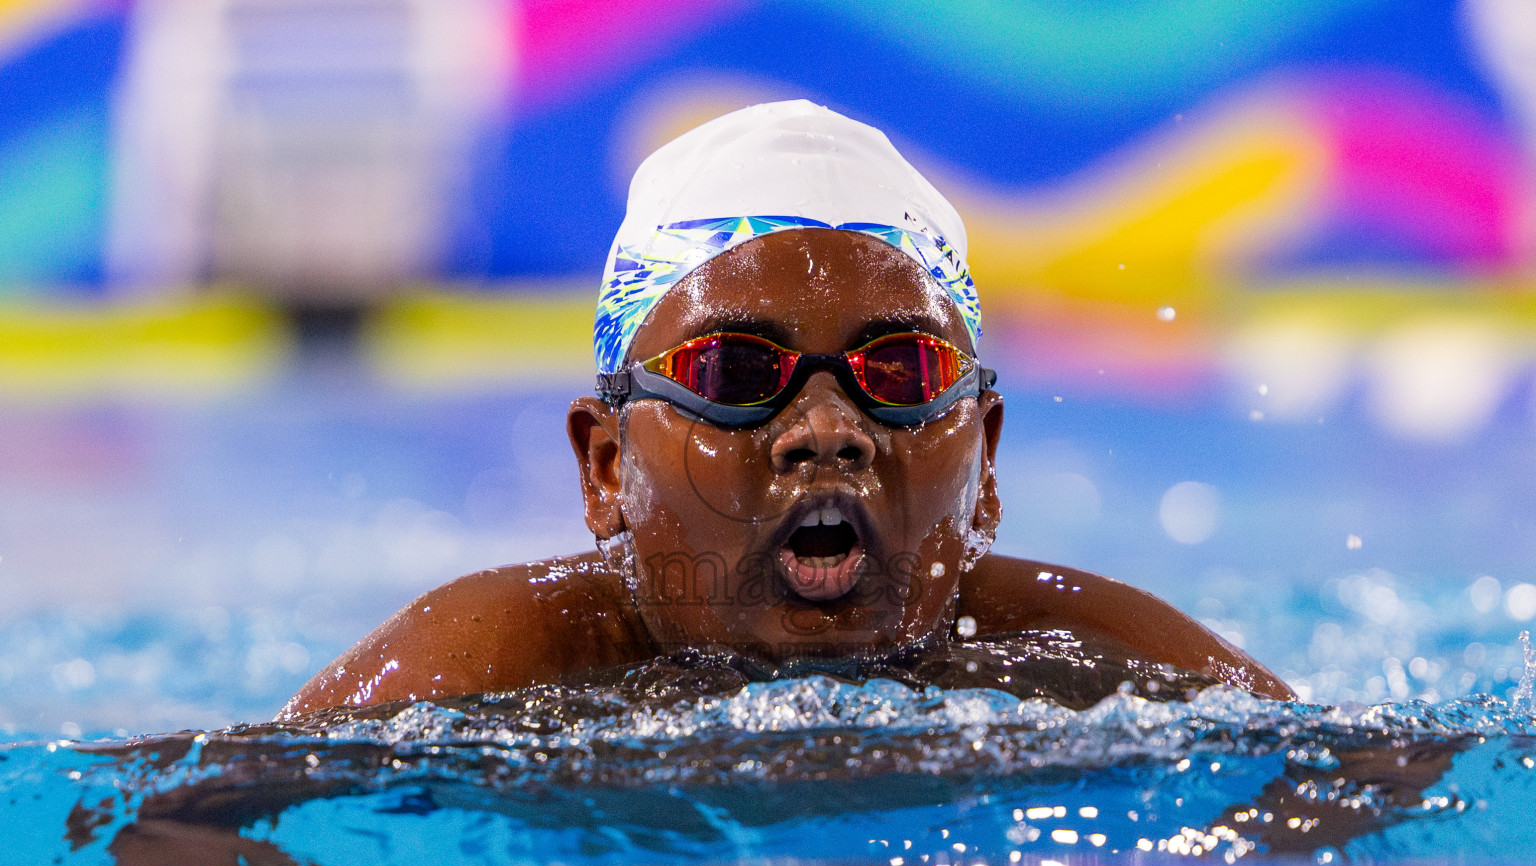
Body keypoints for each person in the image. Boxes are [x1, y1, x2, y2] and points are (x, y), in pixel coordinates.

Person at [282, 100, 1291, 718]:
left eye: (898, 369)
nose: (825, 427)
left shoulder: (1097, 668)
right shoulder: (480, 674)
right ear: (604, 468)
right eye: (733, 370)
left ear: (985, 465)